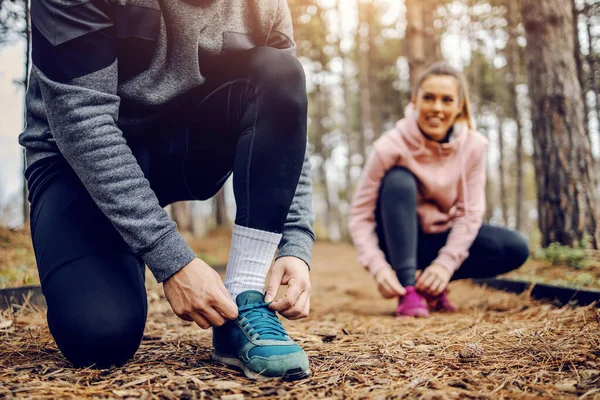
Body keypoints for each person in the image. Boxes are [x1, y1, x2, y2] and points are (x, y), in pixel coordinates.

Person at [19, 0, 314, 381]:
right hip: (73, 163)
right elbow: (83, 121)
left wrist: (295, 244)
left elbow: (287, 116)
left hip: (182, 151)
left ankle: (243, 298)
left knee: (280, 70)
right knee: (98, 338)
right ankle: (113, 241)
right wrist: (169, 257)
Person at [348, 62, 529, 318]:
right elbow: (360, 215)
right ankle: (408, 289)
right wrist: (378, 267)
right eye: (429, 98)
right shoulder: (389, 146)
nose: (436, 108)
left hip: (439, 237)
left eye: (447, 100)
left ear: (458, 107)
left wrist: (445, 266)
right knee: (399, 180)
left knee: (515, 247)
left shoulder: (474, 146)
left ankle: (432, 285)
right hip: (395, 241)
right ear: (414, 102)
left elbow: (469, 213)